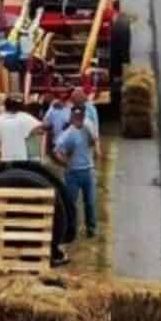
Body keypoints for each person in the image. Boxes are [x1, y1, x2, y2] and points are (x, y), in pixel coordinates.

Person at [50, 92, 98, 238]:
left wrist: (84, 127)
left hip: (88, 170)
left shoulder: (88, 125)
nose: (78, 119)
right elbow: (56, 150)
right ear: (72, 117)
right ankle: (71, 229)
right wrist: (64, 162)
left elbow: (93, 139)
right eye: (76, 116)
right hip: (73, 173)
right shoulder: (67, 133)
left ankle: (91, 228)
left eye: (80, 116)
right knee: (71, 203)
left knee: (90, 202)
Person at [0, 95, 44, 163]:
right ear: (21, 106)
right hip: (22, 159)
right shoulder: (25, 117)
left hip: (6, 160)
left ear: (6, 106)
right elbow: (41, 129)